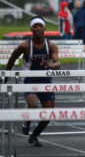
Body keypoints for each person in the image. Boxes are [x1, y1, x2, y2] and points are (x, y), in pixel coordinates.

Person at [4, 16, 60, 146]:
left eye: (40, 25)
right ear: (31, 29)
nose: (38, 28)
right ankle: (27, 122)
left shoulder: (51, 45)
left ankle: (34, 135)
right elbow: (12, 59)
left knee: (48, 115)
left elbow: (57, 63)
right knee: (34, 106)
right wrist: (5, 77)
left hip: (46, 81)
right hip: (30, 80)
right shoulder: (25, 45)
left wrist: (50, 65)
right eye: (35, 26)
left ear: (44, 28)